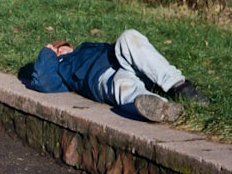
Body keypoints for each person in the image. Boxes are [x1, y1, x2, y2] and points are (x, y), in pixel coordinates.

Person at [29, 29, 208, 123]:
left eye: (63, 46)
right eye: (57, 49)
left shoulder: (85, 48)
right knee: (122, 86)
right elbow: (43, 82)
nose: (60, 50)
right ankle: (162, 107)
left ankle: (181, 87)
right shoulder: (61, 69)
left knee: (129, 36)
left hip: (119, 58)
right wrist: (47, 52)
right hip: (104, 77)